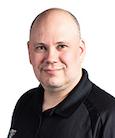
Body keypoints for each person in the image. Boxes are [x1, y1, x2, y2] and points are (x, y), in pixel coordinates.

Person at [8, 8, 115, 138]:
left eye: (61, 46)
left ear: (80, 50)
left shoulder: (108, 116)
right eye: (41, 48)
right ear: (29, 52)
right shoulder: (25, 103)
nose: (51, 58)